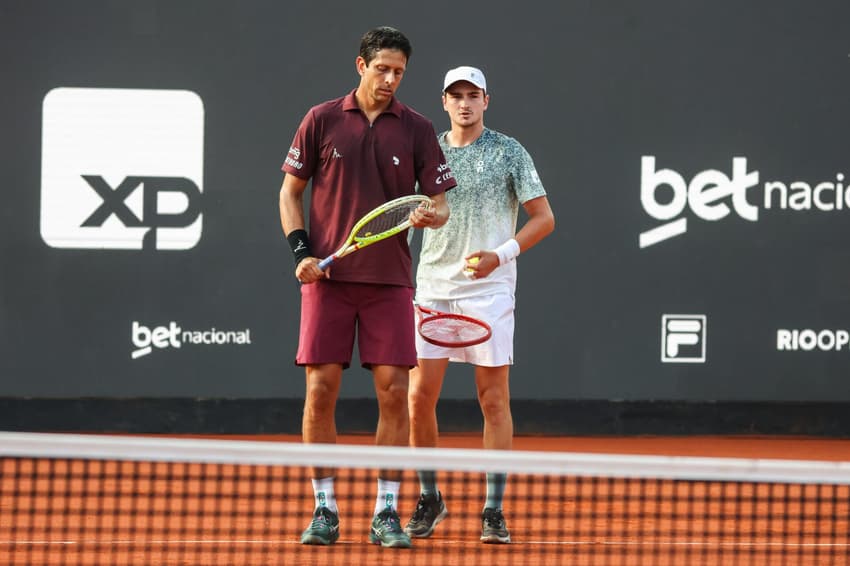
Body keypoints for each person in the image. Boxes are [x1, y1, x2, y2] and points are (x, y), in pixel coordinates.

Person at [278, 27, 454, 549]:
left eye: (399, 71)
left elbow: (440, 203)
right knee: (320, 391)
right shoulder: (321, 119)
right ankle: (325, 509)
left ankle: (385, 512)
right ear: (361, 65)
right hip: (328, 281)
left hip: (390, 282)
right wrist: (301, 253)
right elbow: (290, 194)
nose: (390, 79)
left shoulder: (418, 128)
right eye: (382, 69)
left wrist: (433, 215)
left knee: (394, 394)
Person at [405, 66, 555, 544]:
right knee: (417, 398)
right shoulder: (427, 152)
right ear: (444, 102)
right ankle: (430, 496)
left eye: (473, 95)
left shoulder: (510, 152)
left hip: (488, 289)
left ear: (486, 100)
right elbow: (410, 214)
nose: (465, 103)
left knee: (493, 399)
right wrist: (416, 216)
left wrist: (500, 255)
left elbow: (544, 218)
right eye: (456, 96)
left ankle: (493, 508)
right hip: (432, 288)